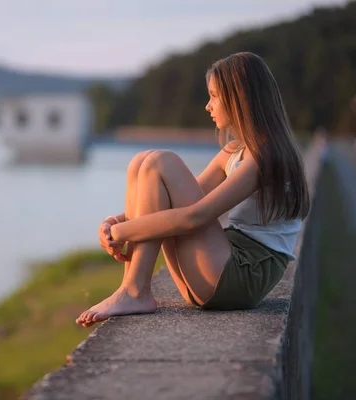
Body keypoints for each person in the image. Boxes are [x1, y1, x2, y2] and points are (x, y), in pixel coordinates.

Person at [76, 52, 310, 328]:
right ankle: (132, 286)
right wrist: (115, 221)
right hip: (218, 274)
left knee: (161, 162)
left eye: (213, 96)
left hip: (241, 277)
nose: (207, 106)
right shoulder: (234, 152)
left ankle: (135, 291)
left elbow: (194, 217)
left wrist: (122, 233)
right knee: (141, 162)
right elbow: (168, 201)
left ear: (239, 99)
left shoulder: (264, 158)